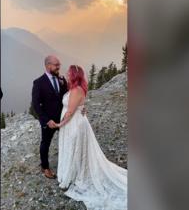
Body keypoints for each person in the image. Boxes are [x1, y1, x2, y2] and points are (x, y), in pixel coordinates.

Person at [54, 65, 127, 210]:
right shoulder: (77, 89)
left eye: (69, 74)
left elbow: (70, 112)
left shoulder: (76, 90)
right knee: (75, 149)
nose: (67, 76)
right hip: (75, 123)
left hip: (74, 125)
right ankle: (75, 171)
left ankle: (75, 173)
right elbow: (79, 107)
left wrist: (59, 124)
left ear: (74, 75)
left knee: (75, 149)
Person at [31, 55, 85, 179]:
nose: (59, 67)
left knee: (69, 140)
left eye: (59, 64)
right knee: (45, 143)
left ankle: (71, 165)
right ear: (48, 65)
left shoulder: (61, 79)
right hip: (49, 121)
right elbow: (36, 105)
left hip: (64, 119)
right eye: (56, 65)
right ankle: (45, 167)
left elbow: (71, 96)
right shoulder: (38, 82)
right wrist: (45, 120)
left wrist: (80, 107)